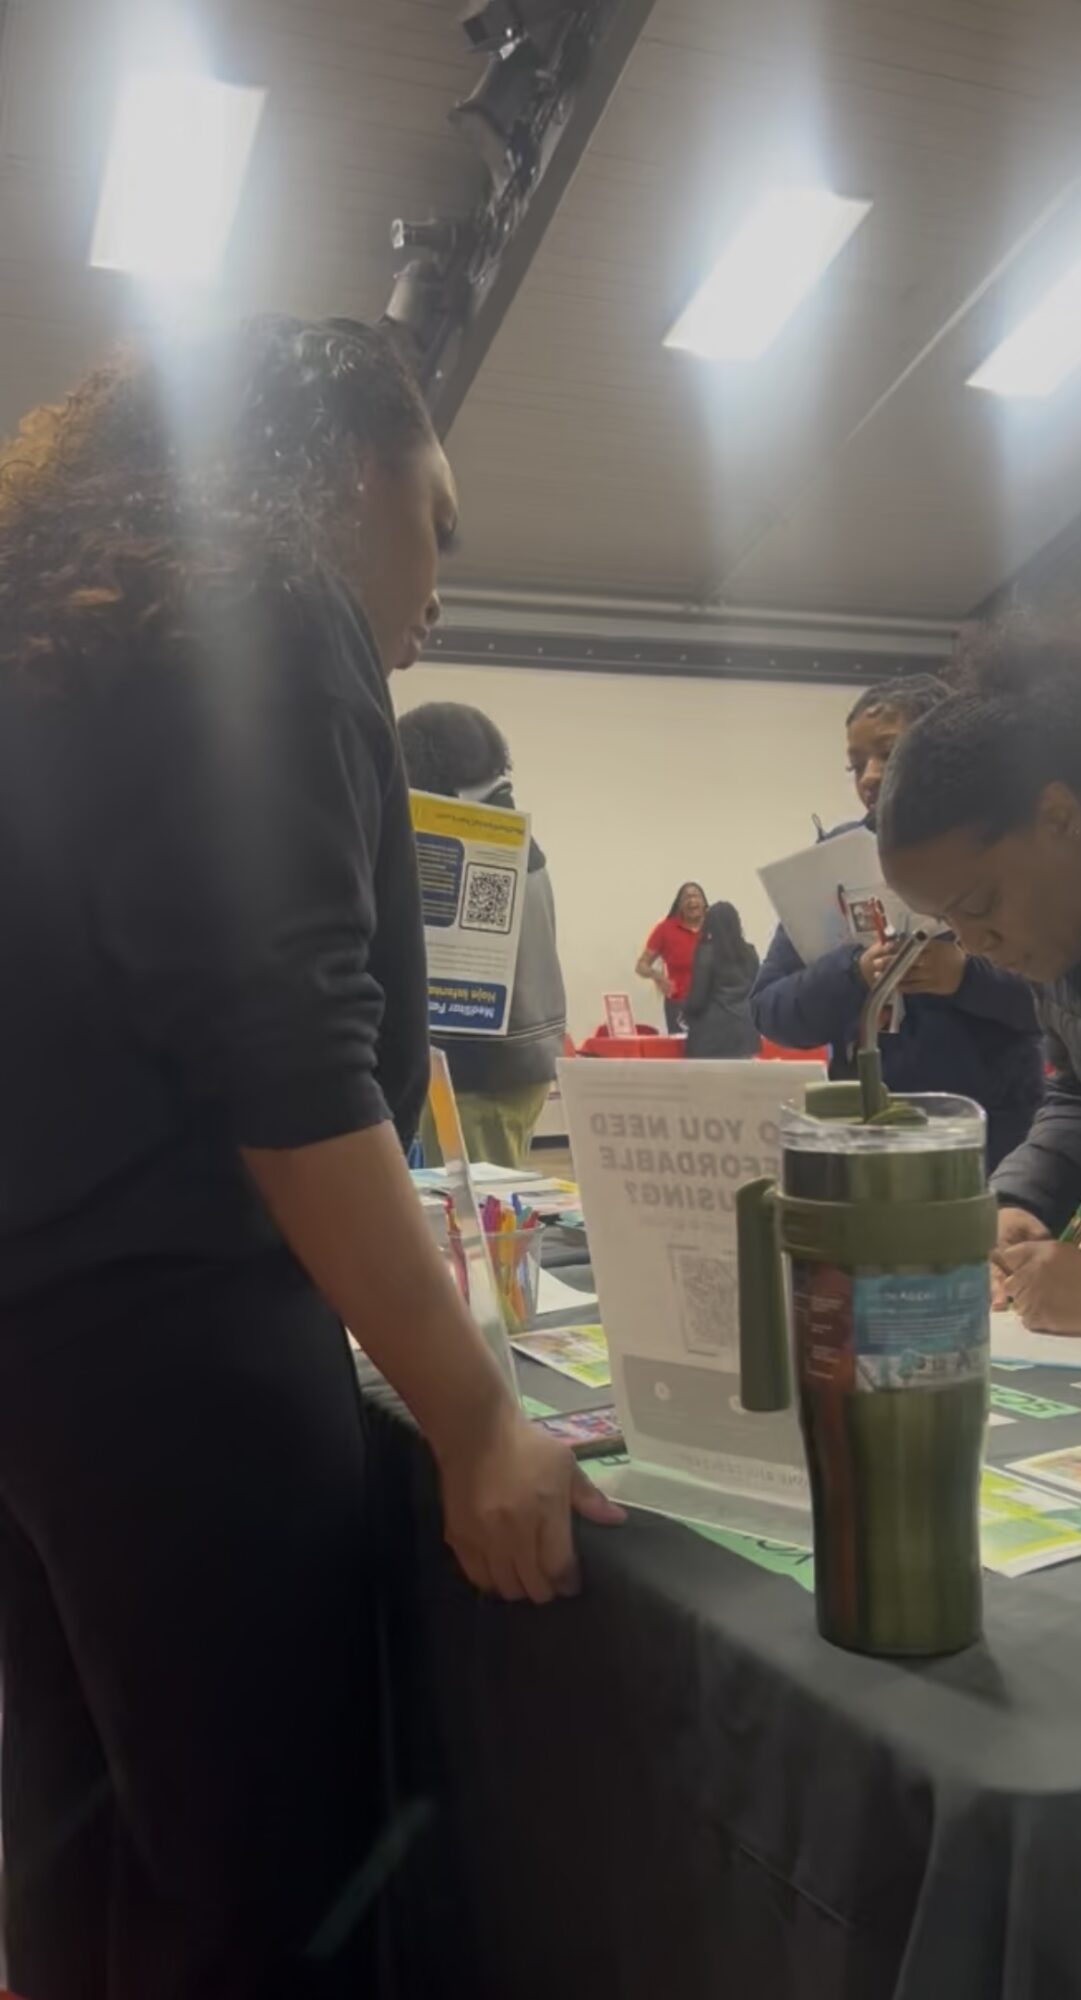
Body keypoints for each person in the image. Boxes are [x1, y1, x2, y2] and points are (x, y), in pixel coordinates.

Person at [0, 315, 620, 1999]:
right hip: (179, 1348)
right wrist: (478, 1414)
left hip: (39, 1343)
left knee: (85, 1849)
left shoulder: (67, 632)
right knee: (266, 1884)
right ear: (353, 461)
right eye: (438, 515)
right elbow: (287, 1055)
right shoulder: (269, 608)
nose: (439, 582)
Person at [876, 629, 1081, 1337]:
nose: (973, 943)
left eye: (978, 906)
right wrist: (1021, 1200)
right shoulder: (1069, 923)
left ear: (1058, 817)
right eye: (947, 920)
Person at [750, 675, 1043, 1171]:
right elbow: (769, 1010)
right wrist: (853, 974)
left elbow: (1062, 1001)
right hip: (863, 1143)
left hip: (990, 1147)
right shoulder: (828, 866)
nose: (869, 776)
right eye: (856, 763)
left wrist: (965, 977)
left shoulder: (1010, 850)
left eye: (888, 753)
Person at [398, 702, 567, 1168]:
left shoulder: (470, 843)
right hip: (519, 1060)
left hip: (481, 1071)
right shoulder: (514, 838)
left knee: (472, 1225)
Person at [682, 901, 761, 1059]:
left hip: (711, 1036)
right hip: (746, 1033)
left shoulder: (706, 953)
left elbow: (697, 1000)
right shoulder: (750, 953)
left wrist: (685, 1013)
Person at [637, 882, 708, 1031]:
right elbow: (641, 966)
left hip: (712, 1005)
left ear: (704, 903)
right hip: (679, 1005)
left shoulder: (714, 927)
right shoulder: (665, 929)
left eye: (696, 896)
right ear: (679, 904)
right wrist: (658, 976)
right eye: (687, 897)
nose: (692, 901)